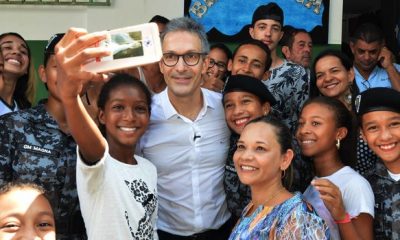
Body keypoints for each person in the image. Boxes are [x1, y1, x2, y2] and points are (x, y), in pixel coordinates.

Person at [137, 17, 232, 239]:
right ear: (161, 64)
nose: (180, 67)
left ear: (205, 64)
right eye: (170, 57)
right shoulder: (145, 117)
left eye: (191, 56)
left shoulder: (225, 110)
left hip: (223, 231)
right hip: (164, 234)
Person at [57, 40, 158, 239]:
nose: (129, 117)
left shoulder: (149, 168)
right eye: (118, 107)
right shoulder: (98, 165)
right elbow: (96, 149)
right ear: (102, 115)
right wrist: (70, 97)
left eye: (139, 108)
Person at [0, 33, 87, 239]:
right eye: (58, 67)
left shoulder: (97, 136)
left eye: (76, 67)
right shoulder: (12, 126)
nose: (68, 75)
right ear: (43, 74)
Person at [229, 115, 330, 239]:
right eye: (241, 147)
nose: (245, 156)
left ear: (285, 159)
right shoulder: (252, 206)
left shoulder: (297, 218)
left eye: (260, 148)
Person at [297, 97, 374, 240]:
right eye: (301, 123)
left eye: (315, 123)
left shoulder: (354, 185)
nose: (304, 130)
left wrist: (341, 217)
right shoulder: (311, 182)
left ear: (339, 133)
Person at [311, 49, 379, 176]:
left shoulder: (369, 109)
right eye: (320, 75)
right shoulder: (312, 117)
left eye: (334, 71)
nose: (328, 78)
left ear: (350, 74)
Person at [249, 3, 309, 135]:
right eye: (262, 27)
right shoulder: (241, 69)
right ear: (252, 32)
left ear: (281, 35)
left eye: (275, 28)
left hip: (285, 148)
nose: (268, 33)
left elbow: (303, 119)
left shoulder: (296, 72)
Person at [222, 74, 276, 221]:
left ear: (265, 108)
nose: (237, 111)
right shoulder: (231, 141)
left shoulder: (282, 144)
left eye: (245, 101)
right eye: (229, 105)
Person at [356, 87, 400, 239]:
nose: (385, 136)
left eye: (394, 124)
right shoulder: (366, 185)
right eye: (373, 128)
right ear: (363, 135)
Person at [122, 15, 169, 94]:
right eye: (153, 35)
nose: (157, 40)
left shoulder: (173, 71)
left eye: (162, 36)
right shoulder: (132, 70)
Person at [350, 22, 400, 92]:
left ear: (382, 47)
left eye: (373, 52)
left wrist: (390, 67)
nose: (367, 57)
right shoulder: (344, 73)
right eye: (361, 51)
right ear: (352, 47)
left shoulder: (396, 70)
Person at [0, 32, 36, 115]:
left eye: (23, 52)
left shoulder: (28, 111)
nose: (17, 52)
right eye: (7, 47)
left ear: (26, 69)